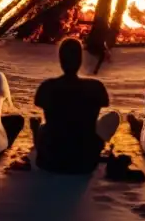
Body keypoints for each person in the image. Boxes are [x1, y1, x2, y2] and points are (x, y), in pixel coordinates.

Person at [31, 38, 120, 174]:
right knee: (113, 117)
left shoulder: (47, 86)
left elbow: (40, 103)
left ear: (61, 60)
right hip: (85, 162)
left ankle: (39, 135)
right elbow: (104, 104)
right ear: (80, 60)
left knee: (42, 126)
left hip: (50, 160)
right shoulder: (96, 87)